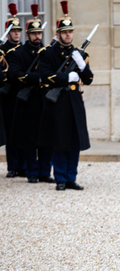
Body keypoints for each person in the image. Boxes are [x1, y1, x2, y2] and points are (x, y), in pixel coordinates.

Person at [37, 1, 93, 191]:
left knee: (74, 140)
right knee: (60, 139)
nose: (68, 35)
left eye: (70, 32)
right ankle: (60, 177)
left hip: (74, 100)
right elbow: (45, 74)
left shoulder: (78, 53)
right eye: (65, 32)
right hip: (58, 101)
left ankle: (71, 177)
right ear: (58, 33)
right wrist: (65, 77)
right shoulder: (48, 53)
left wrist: (82, 65)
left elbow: (89, 78)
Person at [9, 5, 54, 184]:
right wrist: (38, 79)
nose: (37, 37)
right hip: (29, 100)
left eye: (39, 34)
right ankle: (32, 171)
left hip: (46, 99)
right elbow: (15, 75)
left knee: (46, 137)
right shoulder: (18, 53)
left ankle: (45, 171)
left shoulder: (48, 52)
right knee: (30, 139)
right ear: (28, 35)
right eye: (34, 34)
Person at [1, 3, 26, 178]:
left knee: (23, 131)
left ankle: (23, 166)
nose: (17, 33)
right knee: (10, 131)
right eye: (13, 31)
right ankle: (12, 166)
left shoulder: (25, 50)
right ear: (8, 32)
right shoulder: (2, 50)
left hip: (23, 92)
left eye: (18, 31)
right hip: (8, 94)